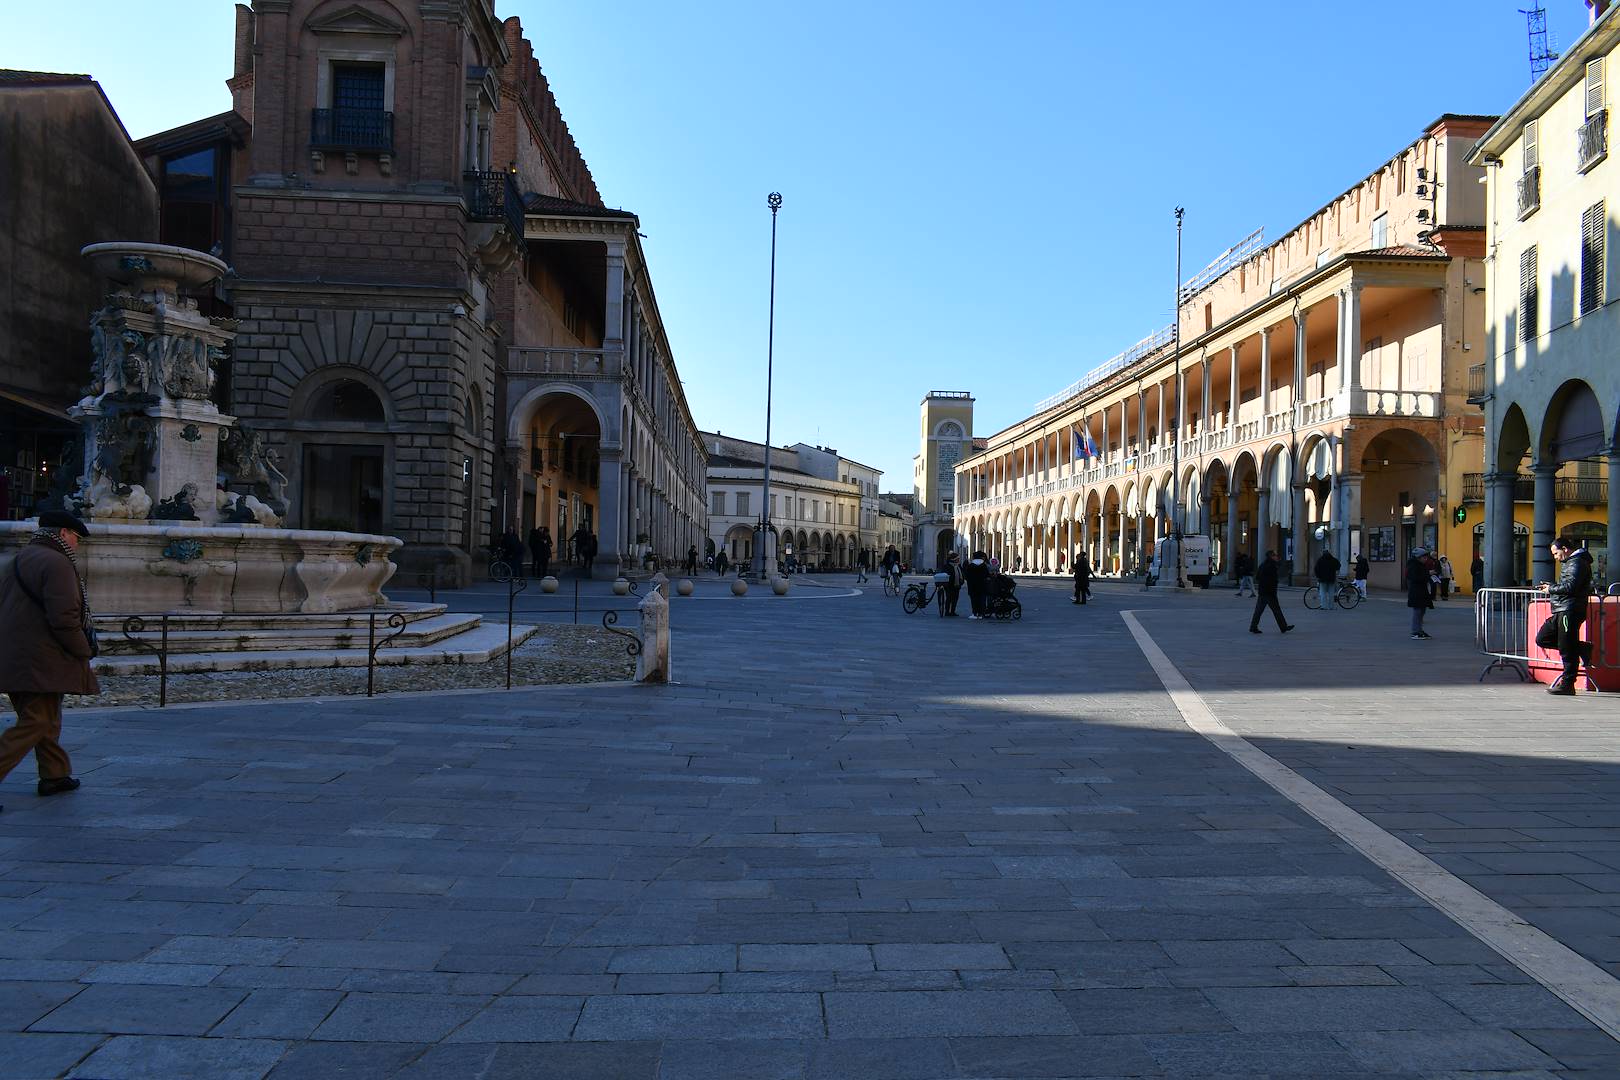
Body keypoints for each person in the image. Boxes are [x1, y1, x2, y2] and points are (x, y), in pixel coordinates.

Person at [0, 511, 96, 811]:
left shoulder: (19, 559)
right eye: (76, 538)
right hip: (41, 655)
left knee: (45, 716)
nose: (77, 545)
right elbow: (64, 617)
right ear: (64, 533)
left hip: (17, 653)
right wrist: (83, 649)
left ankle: (55, 774)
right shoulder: (57, 563)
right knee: (37, 720)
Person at [1543, 535, 1594, 695]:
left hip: (1569, 609)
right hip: (1561, 608)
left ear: (1565, 549)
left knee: (1567, 648)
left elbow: (1571, 586)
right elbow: (1568, 585)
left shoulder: (1576, 563)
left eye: (1556, 553)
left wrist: (1551, 589)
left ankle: (1568, 684)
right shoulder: (1571, 562)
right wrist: (1553, 586)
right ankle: (1581, 648)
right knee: (1543, 638)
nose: (1556, 557)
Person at [1248, 550, 1294, 635]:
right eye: (1275, 555)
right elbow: (1272, 580)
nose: (1276, 557)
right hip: (1269, 592)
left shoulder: (1263, 565)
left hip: (1263, 591)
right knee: (1276, 610)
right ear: (1271, 556)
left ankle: (1253, 626)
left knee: (1259, 610)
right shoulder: (1271, 566)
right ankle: (1283, 627)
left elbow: (1258, 577)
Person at [1407, 547, 1435, 640]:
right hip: (1416, 592)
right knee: (1417, 612)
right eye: (1424, 557)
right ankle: (1415, 631)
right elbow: (1416, 578)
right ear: (1418, 557)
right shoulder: (1414, 565)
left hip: (1421, 592)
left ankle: (1419, 630)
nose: (1425, 559)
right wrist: (1428, 574)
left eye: (1426, 557)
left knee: (1421, 611)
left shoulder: (1420, 565)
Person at [963, 550, 991, 618]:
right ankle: (981, 613)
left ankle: (974, 613)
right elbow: (987, 575)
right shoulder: (983, 565)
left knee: (974, 600)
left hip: (972, 586)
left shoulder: (971, 565)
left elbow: (966, 576)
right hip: (982, 585)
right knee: (981, 599)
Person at [941, 552, 963, 616]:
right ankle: (947, 611)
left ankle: (953, 611)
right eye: (957, 559)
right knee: (949, 598)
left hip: (957, 585)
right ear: (953, 559)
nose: (958, 560)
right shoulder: (947, 566)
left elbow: (962, 573)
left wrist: (962, 579)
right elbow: (946, 575)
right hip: (949, 585)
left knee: (955, 598)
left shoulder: (958, 566)